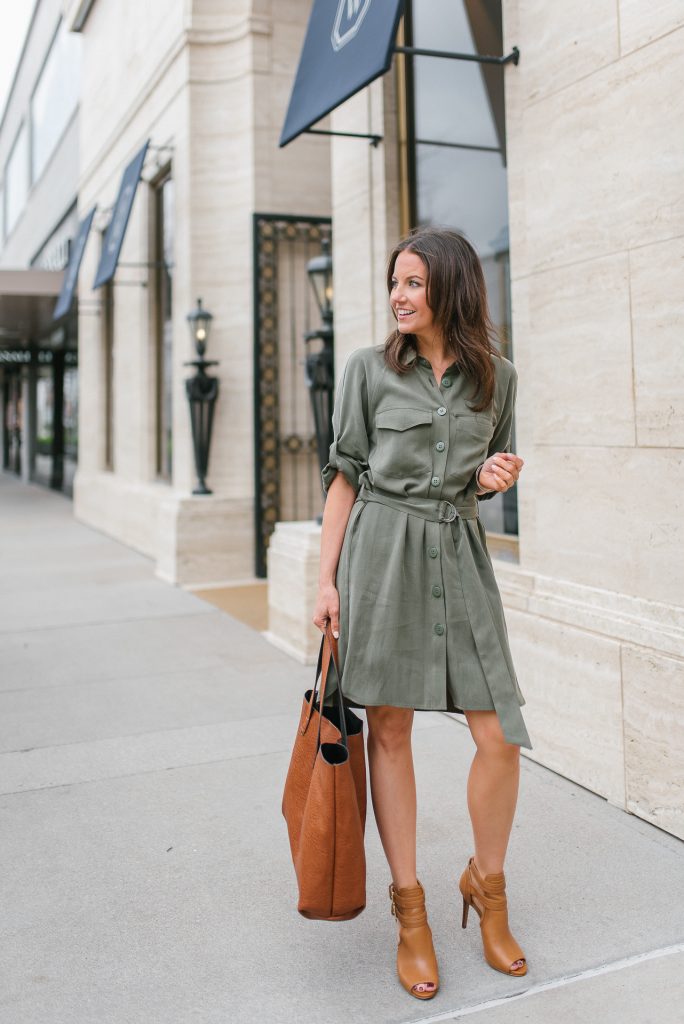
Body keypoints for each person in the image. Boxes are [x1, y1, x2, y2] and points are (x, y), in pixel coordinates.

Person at [312, 228, 530, 1001]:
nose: (400, 296)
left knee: (498, 734)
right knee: (392, 728)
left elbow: (480, 479)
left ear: (451, 289)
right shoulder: (368, 371)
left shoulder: (497, 379)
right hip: (381, 558)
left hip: (459, 557)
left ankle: (487, 885)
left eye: (413, 283)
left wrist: (495, 478)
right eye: (394, 283)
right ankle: (413, 917)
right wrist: (326, 578)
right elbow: (344, 477)